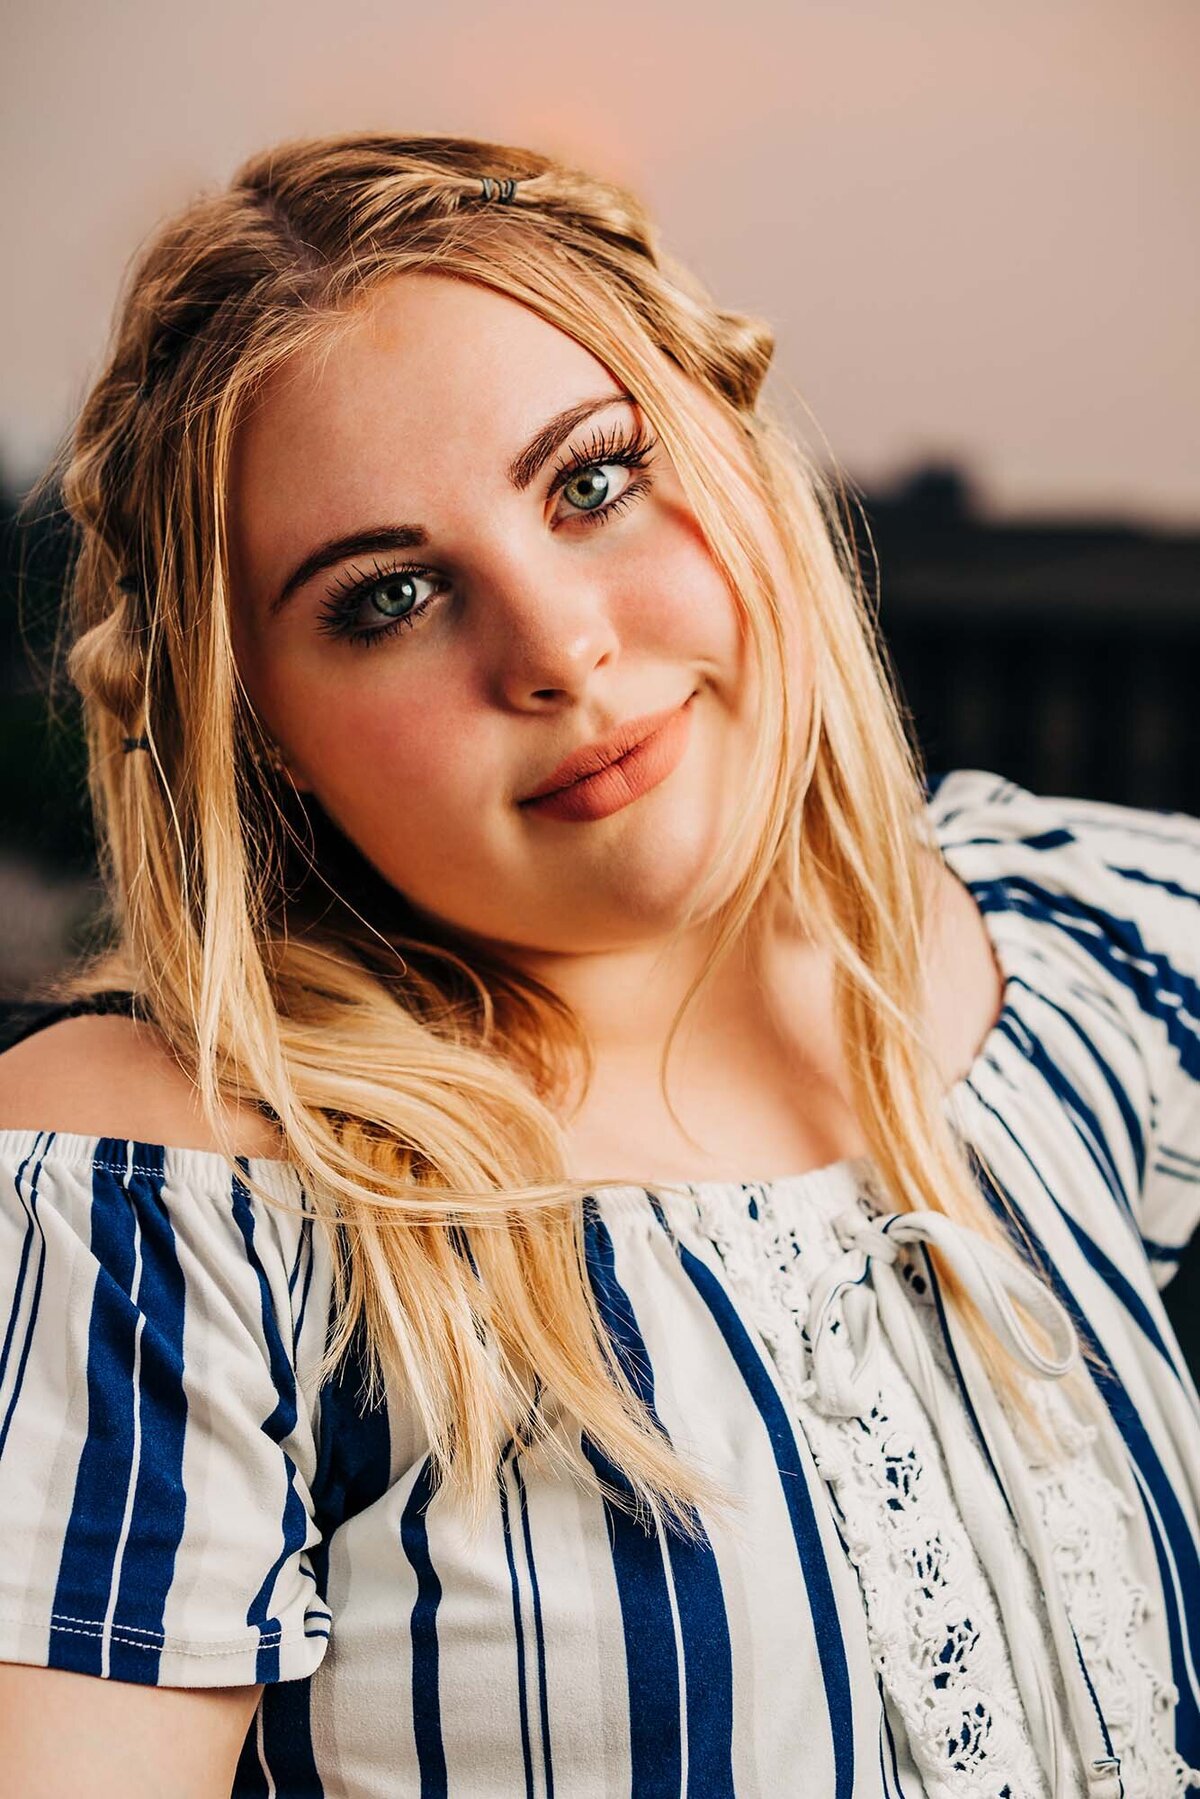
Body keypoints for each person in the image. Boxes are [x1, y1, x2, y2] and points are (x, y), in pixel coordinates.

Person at [0, 131, 1197, 1799]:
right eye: (392, 595)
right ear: (255, 734)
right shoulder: (166, 1193)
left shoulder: (1090, 963)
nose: (560, 647)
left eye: (592, 482)